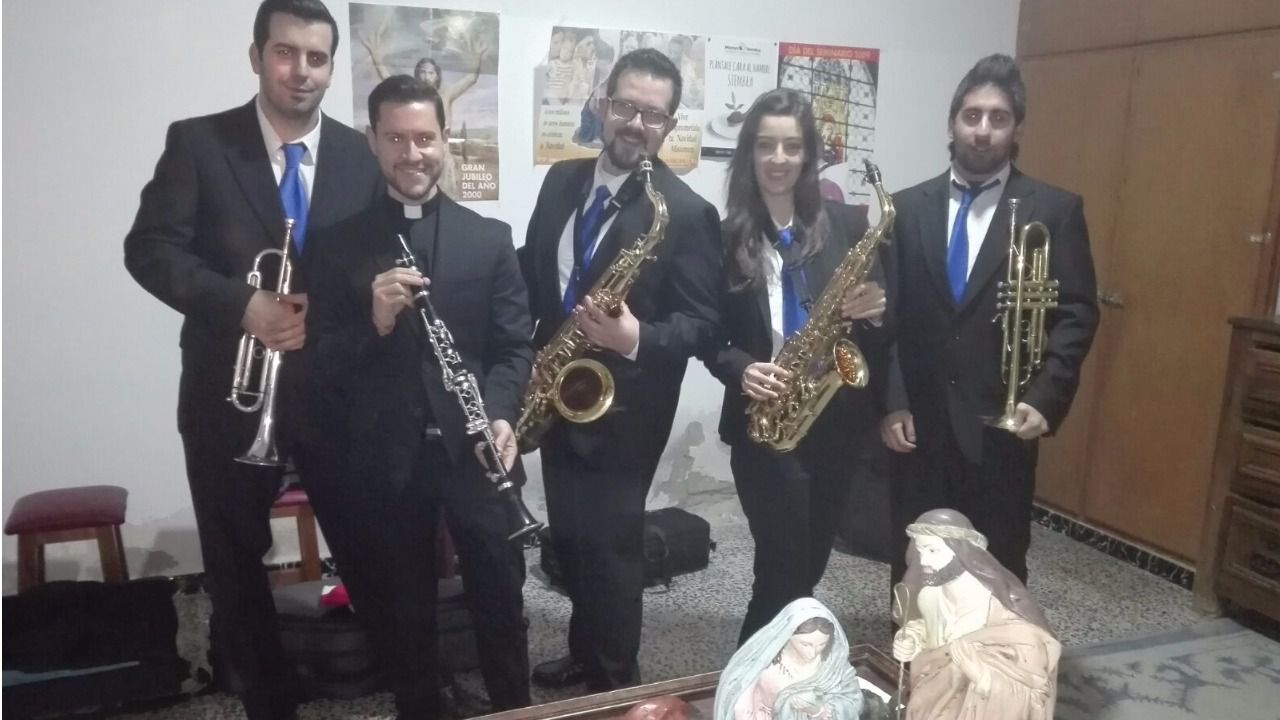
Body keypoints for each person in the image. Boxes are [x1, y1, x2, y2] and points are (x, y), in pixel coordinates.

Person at [122, 2, 380, 717]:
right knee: (236, 562)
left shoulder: (359, 155)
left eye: (317, 57)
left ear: (331, 66)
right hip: (229, 395)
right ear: (257, 56)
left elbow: (371, 262)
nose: (301, 71)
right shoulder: (200, 143)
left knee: (369, 543)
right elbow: (150, 250)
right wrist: (243, 304)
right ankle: (268, 700)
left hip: (335, 394)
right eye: (285, 52)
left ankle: (402, 675)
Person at [302, 75, 534, 719]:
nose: (413, 154)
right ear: (373, 142)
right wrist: (373, 324)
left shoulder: (490, 238)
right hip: (386, 457)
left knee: (500, 597)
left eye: (425, 138)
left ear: (445, 140)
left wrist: (502, 414)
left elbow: (514, 347)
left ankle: (515, 707)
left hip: (480, 450)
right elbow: (316, 361)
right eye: (397, 139)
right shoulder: (335, 245)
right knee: (403, 607)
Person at [519, 48, 722, 691]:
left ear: (669, 125)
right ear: (603, 104)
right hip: (559, 389)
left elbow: (702, 325)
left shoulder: (685, 212)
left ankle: (614, 681)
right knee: (572, 539)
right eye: (627, 106)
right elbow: (537, 274)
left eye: (653, 114)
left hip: (625, 408)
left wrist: (637, 338)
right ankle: (584, 652)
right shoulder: (562, 181)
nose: (636, 123)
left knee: (611, 552)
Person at [880, 54, 1099, 584]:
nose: (982, 130)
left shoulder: (1055, 210)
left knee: (999, 570)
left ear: (1017, 128)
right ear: (952, 123)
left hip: (1003, 429)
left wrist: (1046, 397)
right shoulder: (904, 209)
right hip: (919, 427)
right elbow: (886, 318)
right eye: (971, 116)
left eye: (998, 118)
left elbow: (1076, 313)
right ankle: (910, 644)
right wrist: (893, 403)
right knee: (915, 569)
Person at [700, 88, 887, 644]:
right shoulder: (723, 236)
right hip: (764, 422)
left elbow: (880, 317)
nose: (778, 159)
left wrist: (878, 309)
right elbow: (706, 334)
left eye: (791, 146)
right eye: (765, 146)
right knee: (780, 568)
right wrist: (740, 368)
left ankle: (783, 671)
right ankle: (752, 675)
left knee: (808, 567)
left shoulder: (848, 225)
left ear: (808, 155)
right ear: (749, 154)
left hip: (834, 421)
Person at [891, 509, 1061, 720]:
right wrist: (913, 638)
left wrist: (983, 676)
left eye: (933, 551)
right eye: (920, 551)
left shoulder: (999, 606)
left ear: (962, 551)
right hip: (934, 698)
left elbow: (1034, 686)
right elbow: (932, 631)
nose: (924, 561)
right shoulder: (930, 595)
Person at [714, 598, 863, 720]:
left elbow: (852, 701)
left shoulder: (834, 666)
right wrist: (743, 702)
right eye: (805, 644)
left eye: (821, 645)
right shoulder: (767, 654)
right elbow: (740, 680)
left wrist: (818, 710)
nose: (813, 652)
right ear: (789, 634)